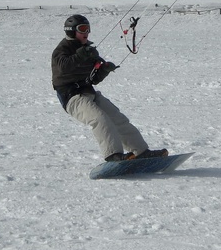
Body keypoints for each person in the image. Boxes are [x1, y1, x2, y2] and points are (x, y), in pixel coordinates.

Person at [51, 14, 168, 162]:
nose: (86, 32)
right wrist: (81, 55)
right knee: (99, 119)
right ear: (71, 31)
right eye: (82, 29)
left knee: (118, 119)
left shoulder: (87, 49)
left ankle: (141, 151)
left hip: (89, 93)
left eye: (88, 29)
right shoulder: (62, 50)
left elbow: (94, 79)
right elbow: (63, 67)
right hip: (72, 97)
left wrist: (104, 70)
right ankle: (113, 155)